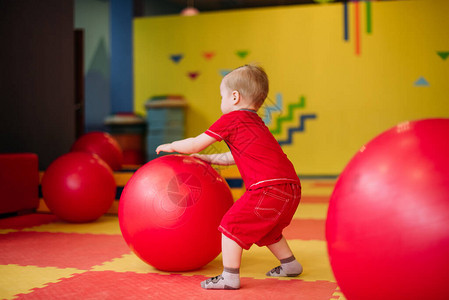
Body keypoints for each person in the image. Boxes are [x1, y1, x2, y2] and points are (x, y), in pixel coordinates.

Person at [156, 64, 302, 290]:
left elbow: (195, 142)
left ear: (234, 97)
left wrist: (172, 145)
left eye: (221, 96)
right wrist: (208, 158)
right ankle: (290, 264)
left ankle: (229, 276)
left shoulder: (231, 119)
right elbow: (234, 156)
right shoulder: (256, 123)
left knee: (231, 225)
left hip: (267, 188)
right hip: (291, 188)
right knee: (270, 231)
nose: (221, 101)